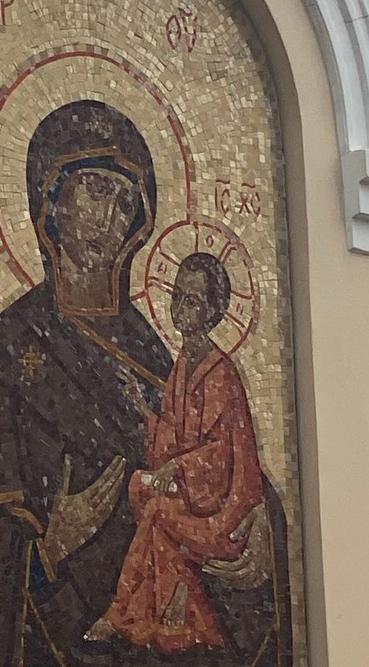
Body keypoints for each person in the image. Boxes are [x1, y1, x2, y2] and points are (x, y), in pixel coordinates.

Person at [0, 100, 290, 667]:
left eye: (124, 201)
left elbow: (225, 462)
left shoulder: (159, 354)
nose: (106, 218)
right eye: (92, 189)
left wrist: (261, 528)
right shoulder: (1, 353)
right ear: (51, 200)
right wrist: (48, 547)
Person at [85, 253, 264, 653]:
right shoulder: (183, 364)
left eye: (193, 301)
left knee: (160, 513)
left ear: (214, 311)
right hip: (194, 497)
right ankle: (178, 607)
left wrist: (180, 468)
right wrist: (141, 409)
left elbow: (221, 455)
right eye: (178, 296)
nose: (181, 309)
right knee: (139, 487)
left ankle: (122, 613)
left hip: (224, 511)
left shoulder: (219, 373)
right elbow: (174, 438)